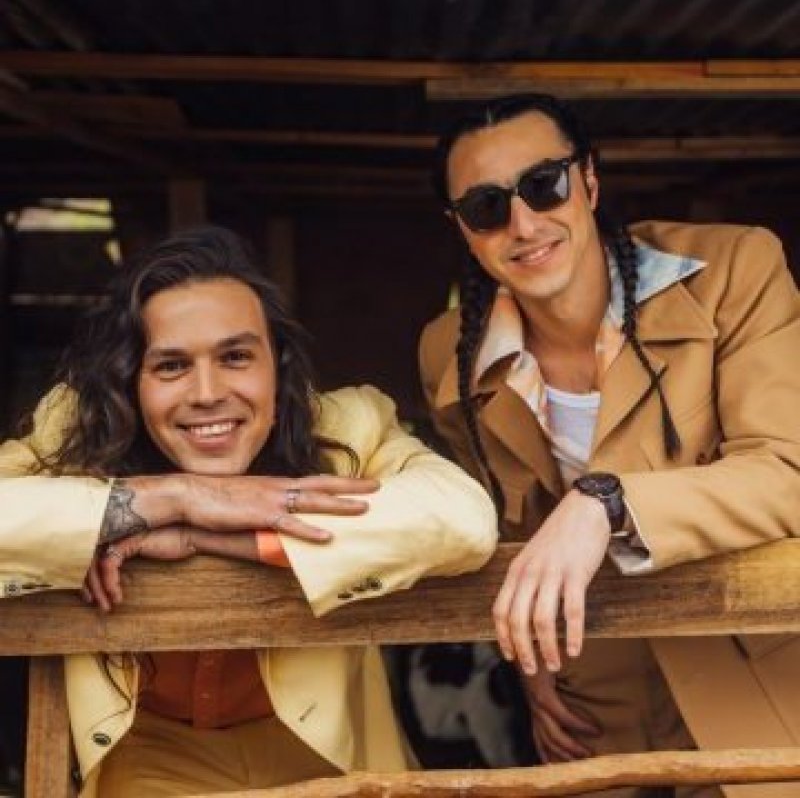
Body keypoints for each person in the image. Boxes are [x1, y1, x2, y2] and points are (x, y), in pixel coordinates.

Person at [0, 225, 497, 797]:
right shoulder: (79, 433)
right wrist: (174, 497)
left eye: (235, 356)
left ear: (278, 369)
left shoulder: (347, 428)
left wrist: (212, 535)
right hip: (152, 754)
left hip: (323, 752)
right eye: (171, 366)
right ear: (131, 382)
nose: (207, 392)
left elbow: (465, 520)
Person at [419, 93, 800, 798]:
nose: (524, 224)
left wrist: (605, 503)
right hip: (590, 690)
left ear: (589, 180)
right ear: (462, 229)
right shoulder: (451, 351)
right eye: (486, 207)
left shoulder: (735, 271)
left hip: (750, 669)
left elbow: (787, 471)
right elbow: (498, 525)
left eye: (544, 185)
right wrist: (531, 670)